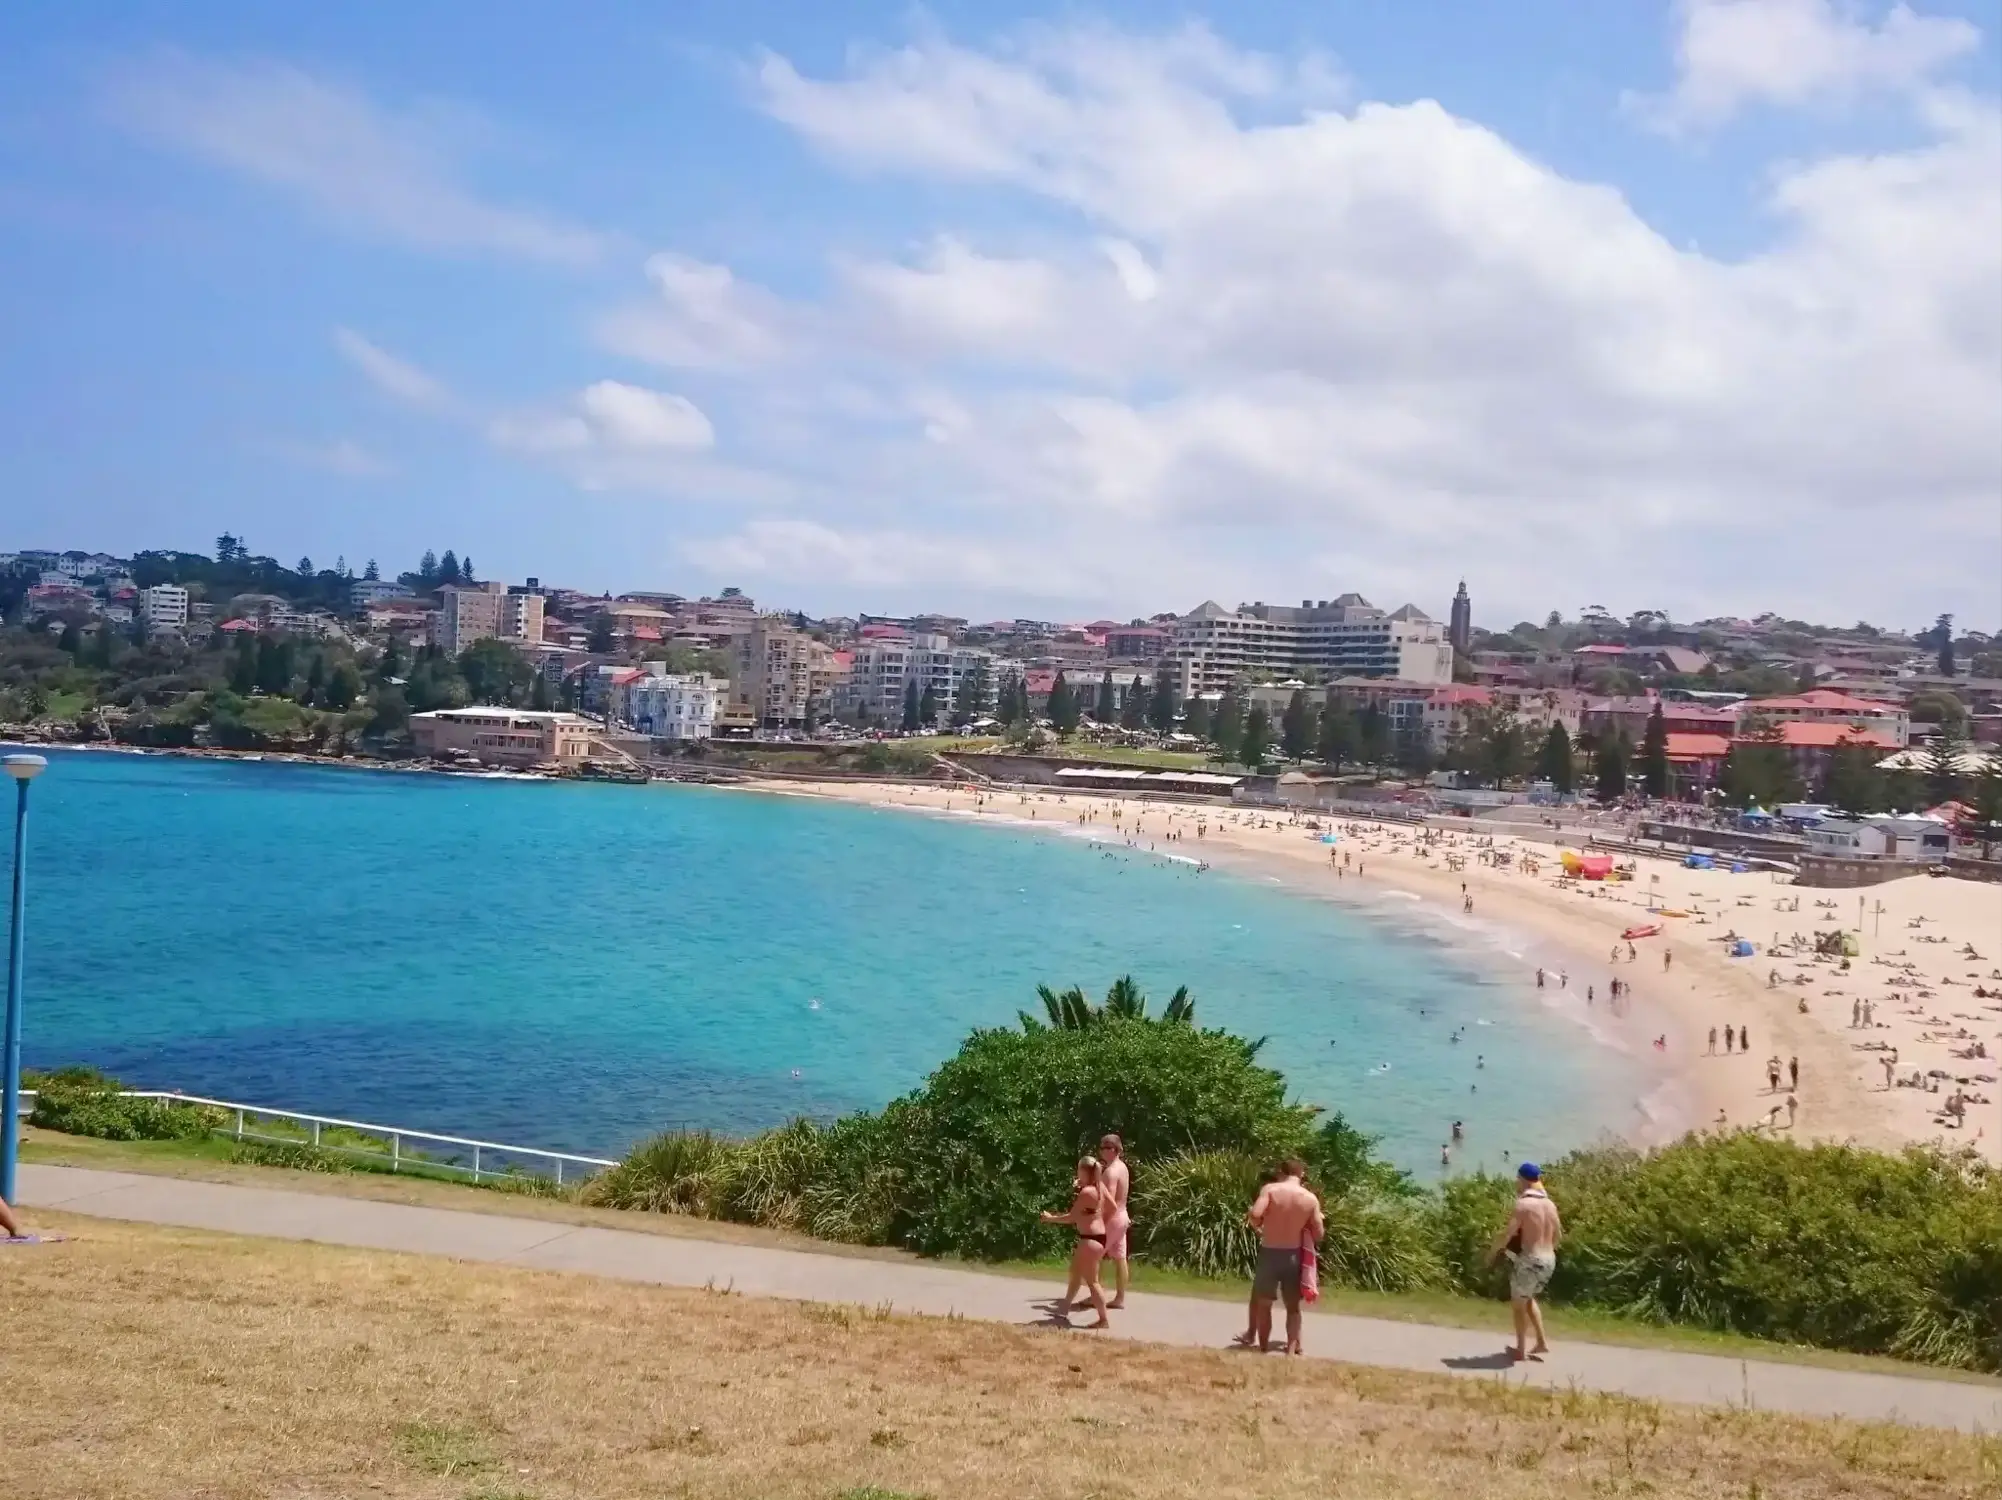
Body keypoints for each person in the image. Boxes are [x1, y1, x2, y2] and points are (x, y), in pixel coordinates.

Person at [1237, 1158, 1324, 1355]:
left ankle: (1264, 1347)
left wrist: (1259, 1227)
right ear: (1301, 1174)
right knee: (1293, 1307)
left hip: (1270, 1251)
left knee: (1264, 1304)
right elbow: (1319, 1233)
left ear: (1280, 1172)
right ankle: (1292, 1350)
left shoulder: (1270, 1190)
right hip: (1293, 1254)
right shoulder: (1310, 1199)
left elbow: (1256, 1213)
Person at [1486, 1163, 1562, 1363]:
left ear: (1522, 1180)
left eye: (1517, 1179)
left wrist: (1493, 1252)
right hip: (1549, 1260)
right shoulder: (1550, 1205)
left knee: (1518, 1305)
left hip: (1531, 1260)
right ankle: (1541, 1342)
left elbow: (1508, 1233)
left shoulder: (1524, 1205)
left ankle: (1520, 1350)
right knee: (1527, 1298)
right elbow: (1558, 1237)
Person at [1039, 1157, 1111, 1329]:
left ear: (1084, 1171)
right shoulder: (1098, 1187)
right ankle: (1064, 1308)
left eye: (1079, 1169)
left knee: (1092, 1281)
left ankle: (1103, 1319)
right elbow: (1110, 1207)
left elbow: (1072, 1217)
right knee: (1076, 1272)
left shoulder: (1087, 1192)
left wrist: (1051, 1219)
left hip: (1090, 1240)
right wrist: (1094, 1214)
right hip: (1097, 1238)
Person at [1097, 1133, 1132, 1311]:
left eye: (1103, 1148)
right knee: (1120, 1258)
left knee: (1094, 1255)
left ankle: (1096, 1295)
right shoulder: (1122, 1167)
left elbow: (1108, 1201)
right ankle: (1119, 1298)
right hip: (1123, 1216)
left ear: (1113, 1149)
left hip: (1112, 1218)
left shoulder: (1110, 1172)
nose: (1101, 1151)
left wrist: (1099, 1221)